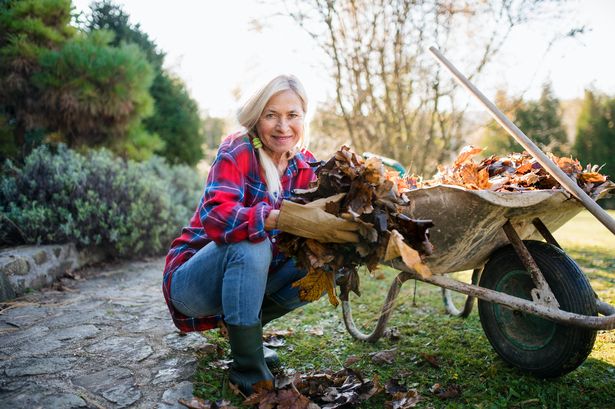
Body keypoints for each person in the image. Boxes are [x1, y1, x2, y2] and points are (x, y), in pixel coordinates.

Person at [162, 74, 360, 395]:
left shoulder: (304, 165)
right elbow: (216, 216)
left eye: (292, 115)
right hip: (192, 285)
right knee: (251, 241)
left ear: (302, 118)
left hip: (243, 282)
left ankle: (246, 344)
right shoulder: (237, 150)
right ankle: (248, 371)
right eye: (272, 115)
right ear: (257, 117)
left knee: (328, 259)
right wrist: (271, 218)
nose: (283, 126)